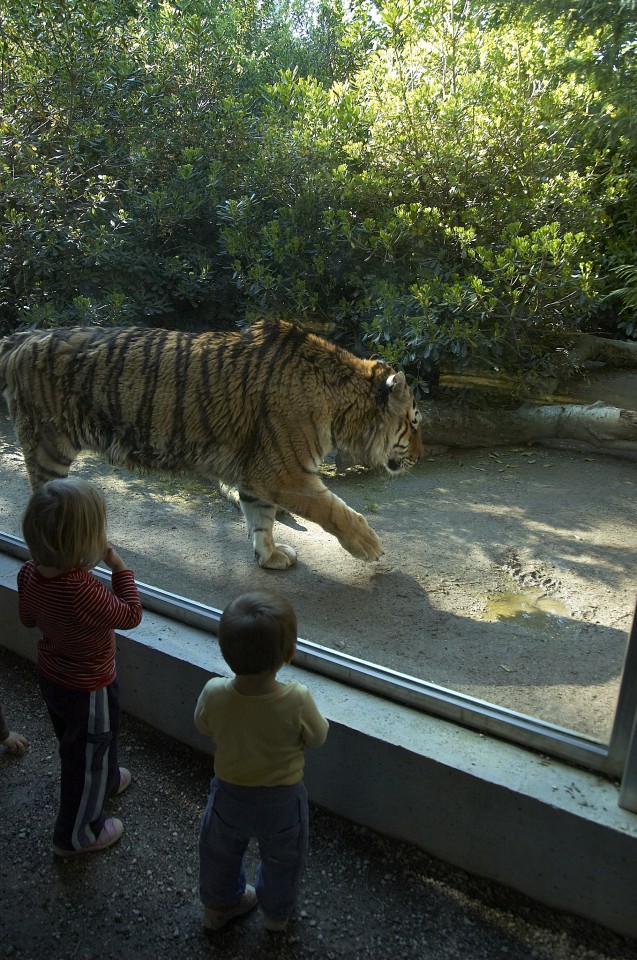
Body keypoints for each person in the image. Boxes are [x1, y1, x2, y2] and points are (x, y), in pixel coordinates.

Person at [17, 477, 143, 857]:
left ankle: (104, 782)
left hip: (52, 674)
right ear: (83, 543)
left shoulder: (28, 572)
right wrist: (119, 567)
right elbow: (131, 615)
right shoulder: (81, 588)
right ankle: (75, 835)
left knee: (84, 743)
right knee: (86, 754)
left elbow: (26, 618)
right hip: (89, 685)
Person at [195, 591, 329, 934]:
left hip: (229, 794)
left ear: (225, 653)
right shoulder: (297, 699)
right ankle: (276, 916)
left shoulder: (213, 692)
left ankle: (218, 905)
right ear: (289, 653)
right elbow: (318, 737)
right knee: (284, 859)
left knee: (219, 852)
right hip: (281, 800)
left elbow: (203, 724)